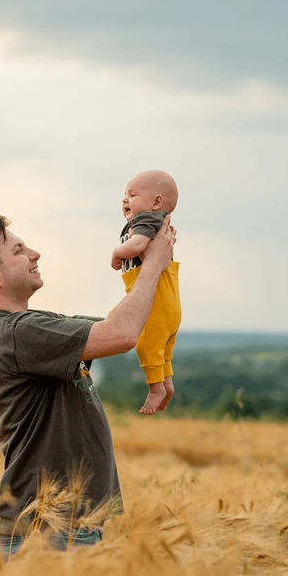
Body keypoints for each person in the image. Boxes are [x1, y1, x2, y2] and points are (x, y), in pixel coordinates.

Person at [0, 213, 176, 556]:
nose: (35, 254)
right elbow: (123, 334)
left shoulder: (32, 325)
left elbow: (135, 327)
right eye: (19, 250)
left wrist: (145, 256)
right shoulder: (17, 333)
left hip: (60, 530)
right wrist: (152, 267)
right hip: (45, 534)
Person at [110, 170, 181, 415]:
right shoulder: (152, 222)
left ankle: (155, 389)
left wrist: (117, 253)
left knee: (147, 345)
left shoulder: (146, 220)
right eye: (124, 195)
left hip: (155, 303)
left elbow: (138, 245)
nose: (125, 200)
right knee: (163, 349)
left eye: (132, 194)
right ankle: (167, 383)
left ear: (156, 202)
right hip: (169, 302)